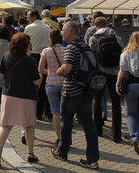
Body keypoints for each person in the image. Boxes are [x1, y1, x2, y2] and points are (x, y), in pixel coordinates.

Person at [50, 19, 100, 169]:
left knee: (66, 123)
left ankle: (62, 151)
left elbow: (67, 68)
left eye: (63, 30)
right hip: (86, 91)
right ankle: (93, 158)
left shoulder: (71, 48)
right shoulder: (86, 47)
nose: (61, 33)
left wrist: (58, 71)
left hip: (71, 91)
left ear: (70, 32)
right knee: (89, 125)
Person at [0, 32, 42, 166]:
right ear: (26, 46)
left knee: (6, 125)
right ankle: (30, 153)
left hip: (9, 94)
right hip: (27, 96)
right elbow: (36, 81)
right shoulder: (30, 61)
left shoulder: (6, 56)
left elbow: (0, 74)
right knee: (29, 125)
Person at [88, 16, 123, 142]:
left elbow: (91, 55)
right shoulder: (116, 37)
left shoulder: (94, 38)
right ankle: (116, 134)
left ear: (95, 25)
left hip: (100, 72)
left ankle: (98, 130)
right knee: (116, 102)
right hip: (114, 72)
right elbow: (121, 52)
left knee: (97, 100)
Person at [38, 28, 65, 145]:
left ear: (50, 39)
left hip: (51, 82)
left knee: (55, 111)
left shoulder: (46, 51)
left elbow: (40, 69)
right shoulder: (66, 50)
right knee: (65, 111)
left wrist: (50, 72)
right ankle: (66, 135)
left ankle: (59, 136)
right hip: (64, 83)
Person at [25, 9, 52, 120]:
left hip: (33, 56)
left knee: (33, 83)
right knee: (46, 82)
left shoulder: (28, 28)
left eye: (28, 17)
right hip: (46, 56)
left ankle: (37, 110)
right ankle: (47, 110)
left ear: (34, 17)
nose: (27, 19)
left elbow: (26, 43)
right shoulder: (47, 28)